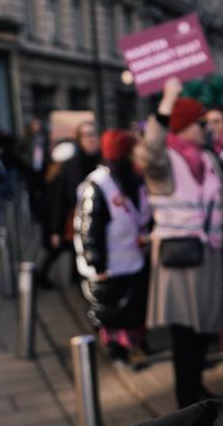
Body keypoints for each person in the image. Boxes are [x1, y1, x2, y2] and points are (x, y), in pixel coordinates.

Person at [141, 79, 223, 408]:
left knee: (205, 331)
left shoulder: (210, 160)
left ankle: (197, 389)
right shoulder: (164, 161)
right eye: (201, 122)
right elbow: (149, 148)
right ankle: (185, 399)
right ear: (185, 126)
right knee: (184, 334)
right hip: (178, 259)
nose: (206, 128)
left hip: (210, 255)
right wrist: (168, 99)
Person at [73, 129, 151, 364]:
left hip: (132, 258)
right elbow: (89, 227)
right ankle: (118, 352)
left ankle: (134, 346)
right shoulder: (98, 184)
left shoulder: (133, 180)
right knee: (112, 312)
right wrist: (96, 262)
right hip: (109, 265)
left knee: (132, 308)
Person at [38, 122, 100, 288]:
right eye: (86, 135)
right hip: (74, 219)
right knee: (71, 252)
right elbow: (60, 200)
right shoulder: (69, 166)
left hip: (99, 220)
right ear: (80, 140)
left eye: (93, 134)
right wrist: (55, 229)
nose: (91, 139)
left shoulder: (104, 162)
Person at [17, 118, 51, 223]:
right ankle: (35, 215)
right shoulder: (26, 138)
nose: (37, 126)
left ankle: (44, 212)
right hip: (31, 170)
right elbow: (18, 152)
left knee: (44, 192)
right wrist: (27, 161)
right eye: (35, 124)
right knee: (32, 193)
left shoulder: (44, 137)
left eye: (38, 124)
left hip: (43, 168)